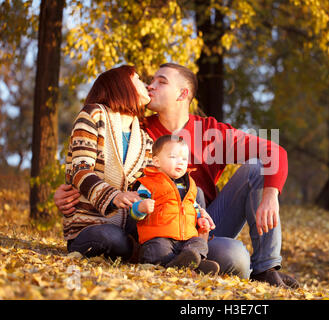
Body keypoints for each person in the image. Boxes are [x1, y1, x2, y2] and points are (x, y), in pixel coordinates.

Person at [56, 63, 299, 288]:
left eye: (161, 82)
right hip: (157, 226)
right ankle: (168, 258)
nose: (151, 85)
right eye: (150, 81)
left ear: (182, 94)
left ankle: (265, 268)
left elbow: (274, 151)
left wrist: (270, 194)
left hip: (201, 226)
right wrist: (67, 190)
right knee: (234, 257)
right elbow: (102, 162)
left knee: (255, 172)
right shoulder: (138, 130)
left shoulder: (211, 134)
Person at [63, 65, 153, 262]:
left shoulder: (145, 139)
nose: (146, 84)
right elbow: (80, 170)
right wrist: (114, 196)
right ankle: (138, 251)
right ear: (122, 84)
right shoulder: (93, 115)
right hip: (89, 226)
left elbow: (146, 183)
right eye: (138, 78)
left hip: (127, 225)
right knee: (109, 237)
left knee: (145, 237)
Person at [130, 134, 219, 275]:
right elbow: (134, 211)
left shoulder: (189, 185)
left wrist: (199, 218)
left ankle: (183, 263)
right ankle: (188, 267)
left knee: (199, 243)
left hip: (185, 241)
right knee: (157, 249)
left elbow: (192, 207)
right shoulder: (148, 183)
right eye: (173, 157)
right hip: (159, 237)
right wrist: (141, 208)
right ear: (157, 161)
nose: (180, 162)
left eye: (184, 159)